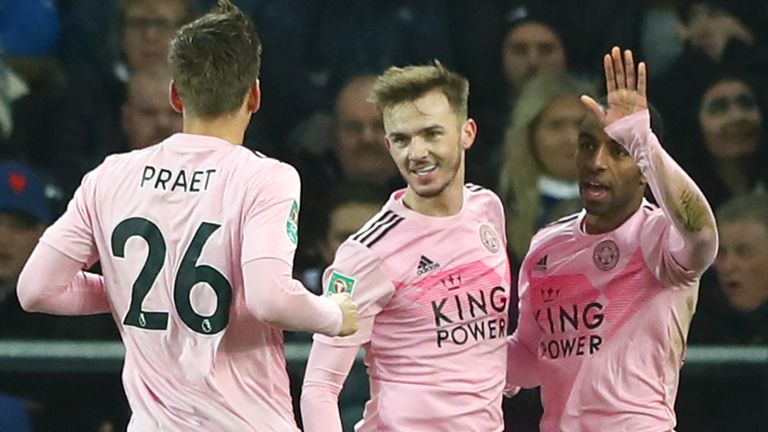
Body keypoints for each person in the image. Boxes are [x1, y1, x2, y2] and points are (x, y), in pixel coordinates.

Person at [16, 1, 358, 431]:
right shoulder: (264, 178)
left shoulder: (110, 176)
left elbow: (36, 289)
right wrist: (334, 314)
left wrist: (133, 285)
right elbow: (270, 298)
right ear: (254, 94)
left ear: (176, 94)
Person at [507, 47, 718, 430]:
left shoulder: (660, 239)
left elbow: (703, 234)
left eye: (618, 150)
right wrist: (463, 352)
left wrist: (643, 142)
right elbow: (529, 355)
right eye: (588, 145)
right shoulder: (546, 248)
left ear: (644, 171)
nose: (596, 162)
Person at [300, 62, 511, 431]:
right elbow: (319, 387)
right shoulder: (366, 253)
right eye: (401, 139)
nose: (417, 153)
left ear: (467, 133)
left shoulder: (487, 209)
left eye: (431, 133)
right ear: (388, 144)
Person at [498, 71, 595, 263]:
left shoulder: (625, 207)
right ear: (529, 136)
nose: (571, 138)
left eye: (580, 125)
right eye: (556, 126)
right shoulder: (499, 212)